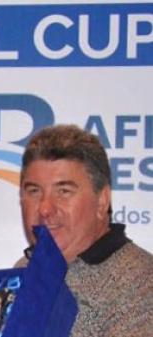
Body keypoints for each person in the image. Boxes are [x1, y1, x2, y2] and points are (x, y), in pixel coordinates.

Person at [17, 124, 153, 337]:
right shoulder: (24, 268)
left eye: (63, 191)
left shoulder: (142, 285)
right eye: (34, 191)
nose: (44, 208)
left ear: (102, 201)